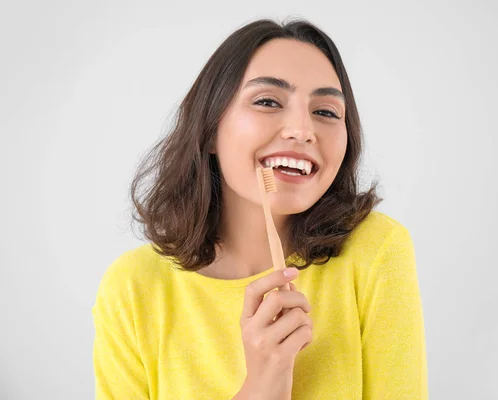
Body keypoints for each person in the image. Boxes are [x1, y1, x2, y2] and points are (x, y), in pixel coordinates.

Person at [92, 17, 428, 400]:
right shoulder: (134, 287)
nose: (302, 129)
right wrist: (262, 386)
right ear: (210, 129)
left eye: (327, 111)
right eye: (267, 101)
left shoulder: (377, 251)